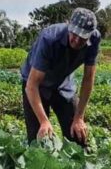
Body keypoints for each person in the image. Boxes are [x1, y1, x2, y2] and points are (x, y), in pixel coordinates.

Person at [21, 8, 100, 146]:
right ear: (69, 26)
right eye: (74, 34)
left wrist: (79, 117)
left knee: (77, 135)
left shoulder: (94, 39)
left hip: (63, 83)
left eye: (82, 37)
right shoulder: (50, 38)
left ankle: (77, 166)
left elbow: (88, 78)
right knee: (38, 140)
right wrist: (44, 121)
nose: (76, 40)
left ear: (90, 35)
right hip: (35, 86)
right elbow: (32, 85)